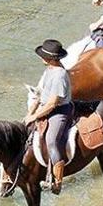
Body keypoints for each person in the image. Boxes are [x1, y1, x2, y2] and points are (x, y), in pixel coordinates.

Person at [24, 39, 72, 194]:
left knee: (51, 140)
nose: (41, 57)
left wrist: (35, 116)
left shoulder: (59, 75)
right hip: (45, 108)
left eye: (43, 55)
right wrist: (30, 113)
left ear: (50, 58)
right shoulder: (49, 70)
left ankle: (57, 182)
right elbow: (40, 93)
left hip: (59, 111)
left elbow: (52, 103)